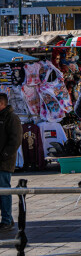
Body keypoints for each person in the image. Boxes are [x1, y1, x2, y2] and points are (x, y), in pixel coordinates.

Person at [0, 93, 22, 232]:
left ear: (2, 104)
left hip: (4, 162)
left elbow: (15, 140)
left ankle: (7, 220)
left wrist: (4, 155)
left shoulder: (12, 118)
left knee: (4, 191)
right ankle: (7, 218)